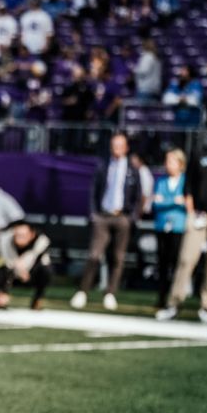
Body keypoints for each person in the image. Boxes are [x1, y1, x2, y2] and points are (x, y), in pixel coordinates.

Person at [157, 119, 207, 322]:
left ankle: (206, 306)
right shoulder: (199, 153)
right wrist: (192, 212)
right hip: (199, 215)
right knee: (186, 259)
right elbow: (189, 187)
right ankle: (174, 303)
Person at [71, 132, 142, 311]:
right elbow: (94, 190)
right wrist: (94, 213)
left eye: (120, 145)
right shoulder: (103, 166)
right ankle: (83, 291)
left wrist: (131, 217)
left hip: (122, 216)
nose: (116, 149)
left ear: (126, 147)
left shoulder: (133, 170)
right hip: (103, 215)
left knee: (118, 257)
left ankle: (110, 292)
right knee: (94, 255)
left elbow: (138, 196)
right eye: (114, 145)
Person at [151, 149, 188, 312]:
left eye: (172, 161)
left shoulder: (185, 182)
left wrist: (167, 201)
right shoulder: (161, 181)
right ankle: (162, 296)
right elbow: (156, 203)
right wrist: (175, 201)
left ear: (180, 164)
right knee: (163, 264)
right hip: (162, 226)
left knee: (176, 263)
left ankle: (175, 297)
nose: (168, 165)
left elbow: (185, 203)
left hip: (179, 228)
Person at [0, 221, 53, 310]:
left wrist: (24, 270)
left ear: (32, 234)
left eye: (23, 235)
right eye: (17, 235)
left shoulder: (42, 242)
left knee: (46, 270)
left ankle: (38, 300)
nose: (19, 238)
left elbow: (38, 260)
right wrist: (5, 290)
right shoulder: (4, 240)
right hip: (10, 274)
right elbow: (7, 263)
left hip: (31, 275)